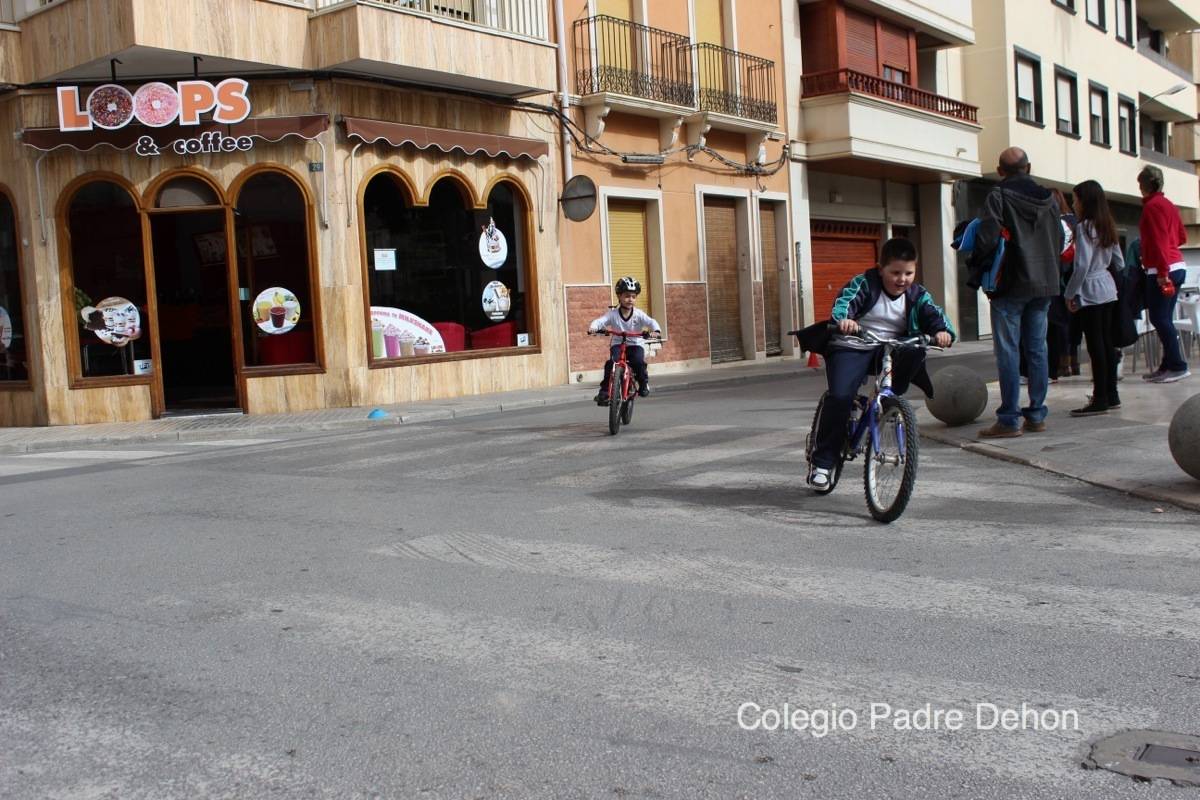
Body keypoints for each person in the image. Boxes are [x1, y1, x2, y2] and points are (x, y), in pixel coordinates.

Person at [800, 237, 954, 490]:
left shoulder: (918, 296)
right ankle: (823, 463)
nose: (902, 279)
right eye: (895, 272)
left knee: (916, 350)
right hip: (855, 345)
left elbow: (936, 317)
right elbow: (843, 304)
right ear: (880, 268)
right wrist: (845, 321)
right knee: (840, 397)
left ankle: (891, 404)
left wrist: (943, 333)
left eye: (908, 273)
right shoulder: (863, 284)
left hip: (892, 349)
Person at [968, 147, 1064, 438]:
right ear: (1029, 167)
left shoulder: (998, 196)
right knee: (1037, 349)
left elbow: (987, 237)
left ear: (1000, 171)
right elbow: (1059, 239)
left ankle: (1008, 419)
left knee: (1008, 350)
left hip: (1011, 283)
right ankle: (1036, 415)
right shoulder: (1050, 199)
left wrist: (976, 267)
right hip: (1045, 283)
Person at [1064, 180, 1123, 416]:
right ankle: (1111, 393)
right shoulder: (1107, 224)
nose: (1073, 203)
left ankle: (1100, 397)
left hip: (1090, 290)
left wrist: (1070, 293)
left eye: (1075, 199)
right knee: (1107, 343)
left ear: (1084, 201)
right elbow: (1118, 260)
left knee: (1095, 345)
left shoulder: (1085, 226)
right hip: (1108, 288)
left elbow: (1081, 265)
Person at [1136, 165, 1191, 383]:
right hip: (1177, 265)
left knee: (1159, 318)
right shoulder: (1169, 205)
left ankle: (1177, 365)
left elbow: (1158, 240)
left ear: (1145, 185)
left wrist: (1161, 270)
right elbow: (1181, 237)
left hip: (1162, 268)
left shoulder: (1152, 207)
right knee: (1165, 318)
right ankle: (1168, 364)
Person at [589, 276, 662, 404]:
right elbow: (601, 321)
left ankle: (643, 384)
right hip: (618, 344)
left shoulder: (638, 314)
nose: (630, 299)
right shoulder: (613, 314)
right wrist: (594, 327)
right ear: (619, 296)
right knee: (611, 364)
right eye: (627, 296)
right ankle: (604, 391)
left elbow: (651, 322)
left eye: (633, 296)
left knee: (638, 362)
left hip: (635, 344)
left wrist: (656, 331)